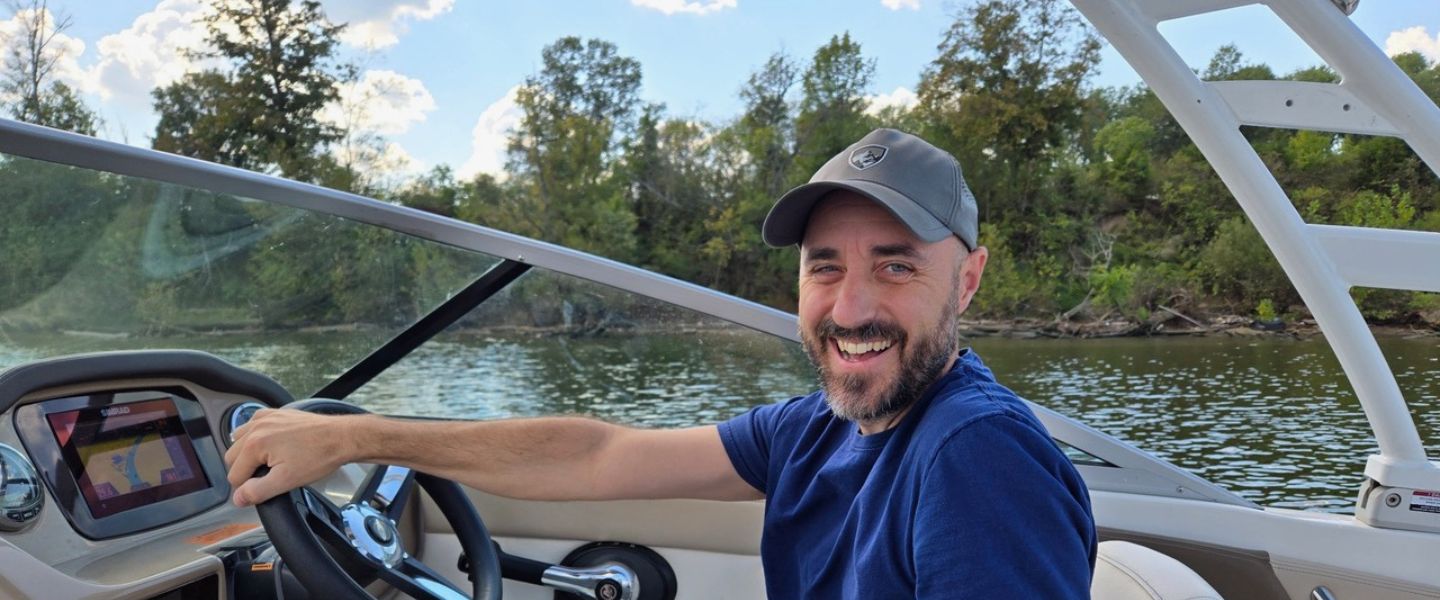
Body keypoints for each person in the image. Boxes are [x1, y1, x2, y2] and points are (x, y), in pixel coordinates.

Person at [226, 128, 1097, 598]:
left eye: (896, 265)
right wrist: (352, 440)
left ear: (969, 279)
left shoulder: (975, 456)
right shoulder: (817, 429)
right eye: (825, 266)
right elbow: (598, 455)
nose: (852, 307)